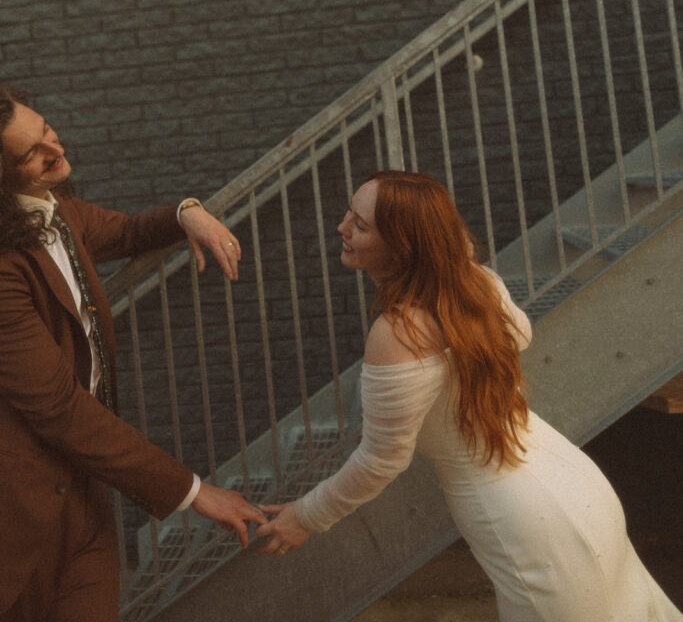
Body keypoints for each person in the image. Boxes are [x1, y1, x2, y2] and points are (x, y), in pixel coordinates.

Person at [257, 170, 682, 621]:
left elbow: (383, 460)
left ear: (403, 245)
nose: (342, 228)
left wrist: (307, 515)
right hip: (573, 482)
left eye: (360, 226)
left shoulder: (398, 332)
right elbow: (521, 334)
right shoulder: (477, 284)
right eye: (349, 213)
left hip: (521, 515)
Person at [0, 87, 265, 622]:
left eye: (46, 128)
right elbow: (59, 408)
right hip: (18, 511)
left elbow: (126, 230)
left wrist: (188, 213)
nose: (55, 148)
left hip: (87, 494)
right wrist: (193, 492)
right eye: (30, 153)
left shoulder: (57, 210)